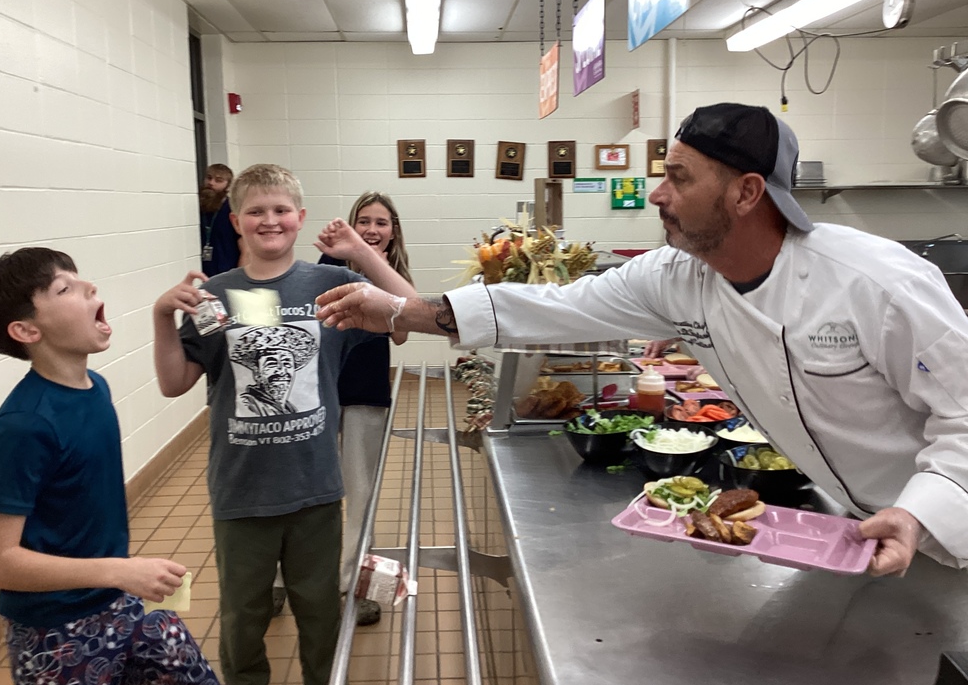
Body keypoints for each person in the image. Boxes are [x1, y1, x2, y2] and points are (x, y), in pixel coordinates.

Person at [314, 102, 968, 580]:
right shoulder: (678, 278)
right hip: (858, 528)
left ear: (746, 193)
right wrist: (404, 312)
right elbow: (551, 308)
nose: (658, 193)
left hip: (946, 532)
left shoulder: (875, 284)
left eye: (680, 177)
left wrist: (921, 513)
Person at [152, 164, 417, 685]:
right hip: (241, 492)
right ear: (236, 222)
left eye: (280, 211)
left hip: (315, 489)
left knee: (320, 616)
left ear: (300, 218)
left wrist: (361, 251)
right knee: (242, 619)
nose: (268, 221)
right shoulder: (214, 298)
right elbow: (174, 382)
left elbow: (407, 313)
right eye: (256, 211)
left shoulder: (333, 285)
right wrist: (162, 317)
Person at [0, 248, 221, 685]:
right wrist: (118, 571)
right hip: (55, 633)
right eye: (65, 288)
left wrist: (118, 578)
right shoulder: (24, 426)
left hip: (118, 603)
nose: (90, 287)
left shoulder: (95, 387)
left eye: (79, 278)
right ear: (27, 329)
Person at [316, 192, 414, 627]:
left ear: (394, 232)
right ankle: (289, 578)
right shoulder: (325, 269)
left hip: (367, 394)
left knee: (361, 492)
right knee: (313, 490)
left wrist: (377, 270)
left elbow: (402, 334)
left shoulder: (394, 276)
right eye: (364, 221)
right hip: (318, 395)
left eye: (382, 223)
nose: (372, 230)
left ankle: (352, 582)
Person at [200, 163, 244, 278]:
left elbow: (246, 250)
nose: (211, 183)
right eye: (209, 178)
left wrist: (239, 278)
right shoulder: (199, 207)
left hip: (227, 272)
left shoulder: (232, 209)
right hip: (201, 273)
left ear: (228, 185)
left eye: (218, 180)